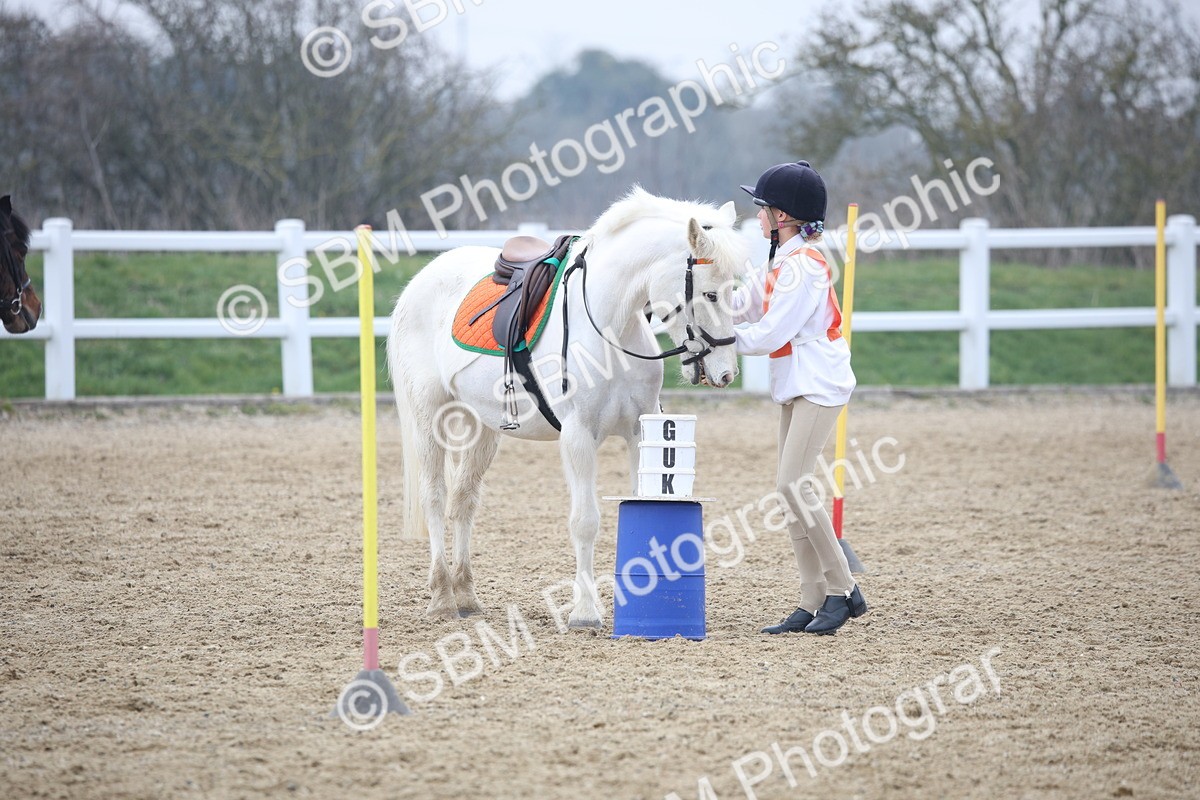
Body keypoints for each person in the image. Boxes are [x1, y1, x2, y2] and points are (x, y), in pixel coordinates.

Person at [731, 161, 868, 635]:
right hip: (794, 383)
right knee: (787, 491)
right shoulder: (779, 263)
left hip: (819, 382)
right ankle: (812, 599)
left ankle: (844, 589)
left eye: (761, 208)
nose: (757, 215)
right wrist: (697, 309)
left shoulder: (805, 266)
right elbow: (739, 306)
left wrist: (724, 342)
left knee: (793, 484)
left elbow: (770, 332)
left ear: (782, 216)